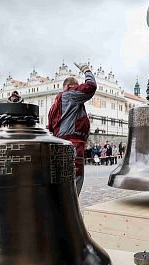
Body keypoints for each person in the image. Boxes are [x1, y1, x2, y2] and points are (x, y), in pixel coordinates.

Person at [48, 62, 96, 195]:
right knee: (75, 179)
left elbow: (51, 127)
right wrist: (86, 70)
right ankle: (71, 212)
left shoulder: (55, 104)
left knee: (62, 180)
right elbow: (91, 86)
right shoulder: (70, 94)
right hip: (73, 145)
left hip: (59, 144)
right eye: (77, 87)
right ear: (70, 86)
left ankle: (61, 211)